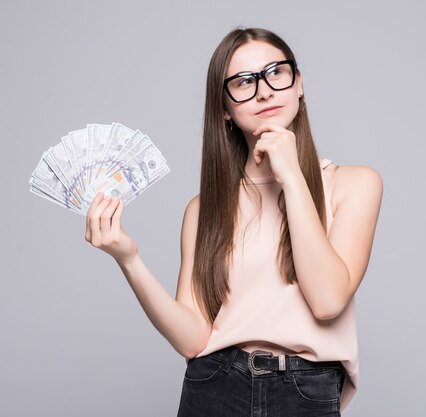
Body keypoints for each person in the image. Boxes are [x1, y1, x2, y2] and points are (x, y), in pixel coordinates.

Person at [84, 27, 383, 417]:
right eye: (243, 82)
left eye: (276, 72)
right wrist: (129, 259)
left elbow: (327, 301)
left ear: (299, 85)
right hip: (214, 385)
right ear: (224, 108)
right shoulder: (203, 209)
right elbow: (193, 339)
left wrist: (291, 176)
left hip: (305, 389)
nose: (264, 90)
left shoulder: (354, 184)